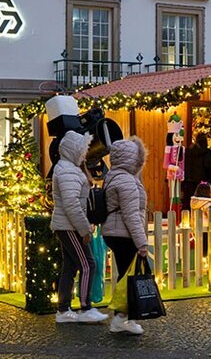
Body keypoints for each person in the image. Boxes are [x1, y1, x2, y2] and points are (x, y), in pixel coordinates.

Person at [50, 131, 109, 324]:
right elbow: (72, 204)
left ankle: (63, 309)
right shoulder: (68, 171)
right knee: (88, 264)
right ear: (74, 150)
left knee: (70, 266)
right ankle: (85, 308)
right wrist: (84, 230)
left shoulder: (69, 168)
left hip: (67, 225)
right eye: (82, 150)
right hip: (70, 226)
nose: (85, 153)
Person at [101, 137, 148, 335]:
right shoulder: (127, 181)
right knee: (129, 278)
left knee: (125, 275)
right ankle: (121, 319)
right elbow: (131, 215)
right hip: (124, 233)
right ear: (132, 158)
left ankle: (123, 318)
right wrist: (142, 242)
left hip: (114, 231)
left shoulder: (112, 176)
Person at [182, 132, 211, 212]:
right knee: (203, 200)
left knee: (189, 200)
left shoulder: (189, 151)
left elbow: (185, 164)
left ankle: (187, 216)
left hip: (189, 179)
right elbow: (207, 165)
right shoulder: (207, 152)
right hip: (202, 179)